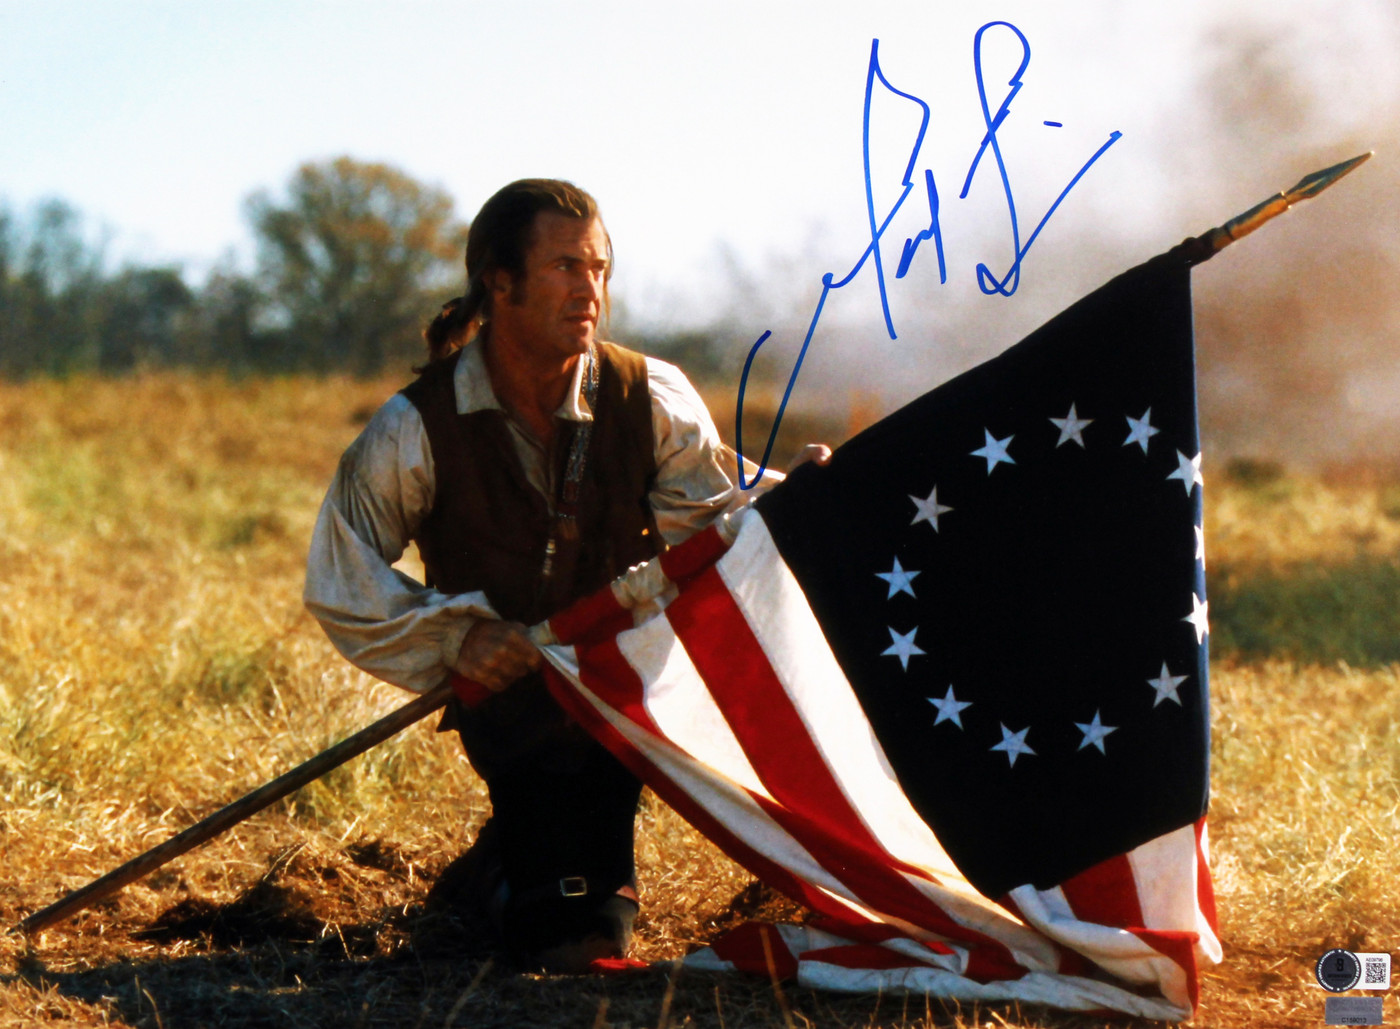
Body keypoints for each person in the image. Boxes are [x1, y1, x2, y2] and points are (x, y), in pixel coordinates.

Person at [304, 178, 826, 973]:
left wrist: (807, 503)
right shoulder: (416, 426)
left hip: (619, 703)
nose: (591, 291)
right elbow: (341, 574)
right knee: (568, 940)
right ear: (499, 282)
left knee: (588, 925)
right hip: (510, 714)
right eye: (565, 267)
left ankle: (507, 870)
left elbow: (719, 528)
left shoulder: (649, 396)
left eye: (600, 268)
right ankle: (506, 873)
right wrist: (459, 637)